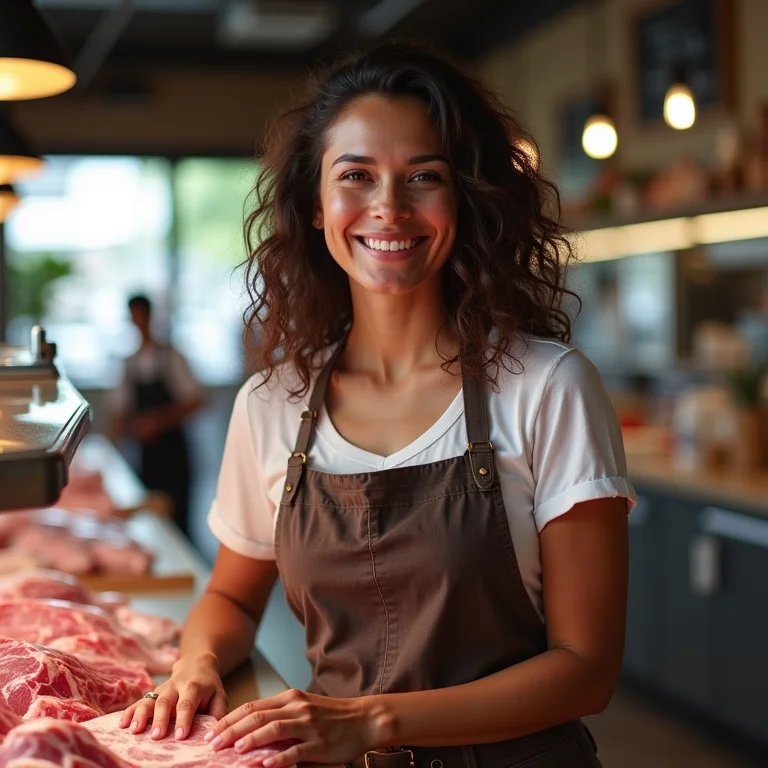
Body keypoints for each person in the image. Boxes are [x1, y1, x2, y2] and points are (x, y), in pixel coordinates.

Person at [119, 42, 636, 768]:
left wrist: (368, 720)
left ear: (468, 196)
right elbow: (232, 601)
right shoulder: (272, 404)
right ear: (315, 202)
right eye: (355, 175)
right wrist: (197, 663)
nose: (388, 207)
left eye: (423, 176)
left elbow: (587, 669)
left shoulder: (548, 387)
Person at [108, 294, 203, 538]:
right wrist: (111, 450)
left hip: (174, 451)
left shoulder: (172, 357)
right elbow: (120, 411)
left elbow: (196, 401)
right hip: (146, 454)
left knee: (179, 514)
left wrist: (157, 421)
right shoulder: (128, 364)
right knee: (151, 514)